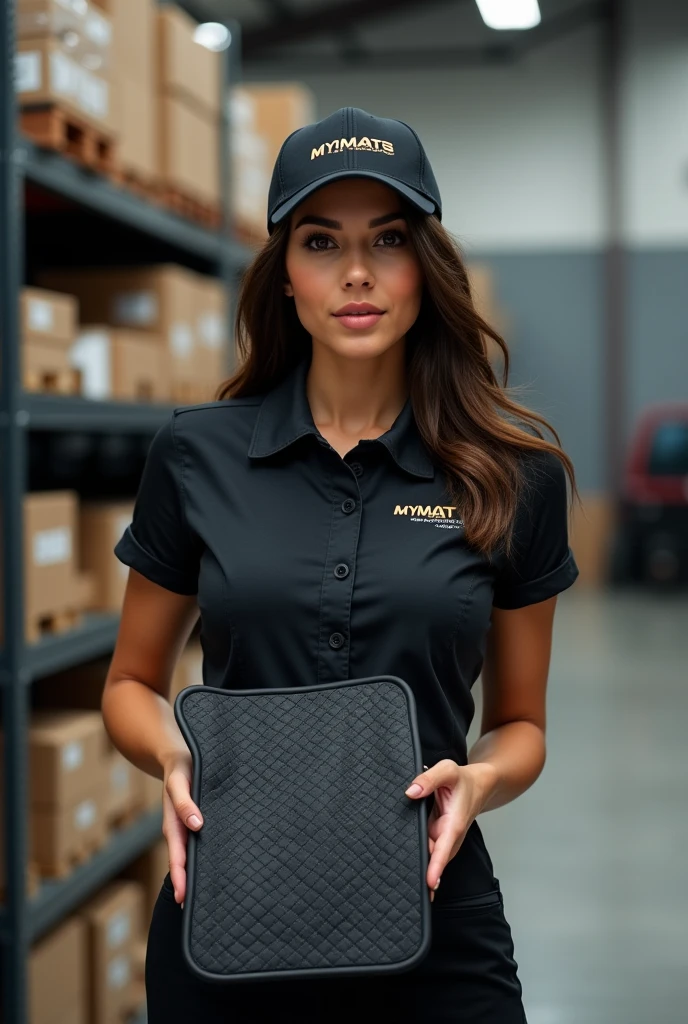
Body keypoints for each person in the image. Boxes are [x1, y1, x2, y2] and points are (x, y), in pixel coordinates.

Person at [102, 106, 580, 1023]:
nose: (355, 272)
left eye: (387, 239)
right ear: (284, 273)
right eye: (321, 241)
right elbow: (130, 681)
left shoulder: (511, 476)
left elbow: (521, 724)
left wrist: (478, 781)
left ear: (424, 267)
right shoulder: (197, 455)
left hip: (436, 914)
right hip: (227, 913)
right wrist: (172, 757)